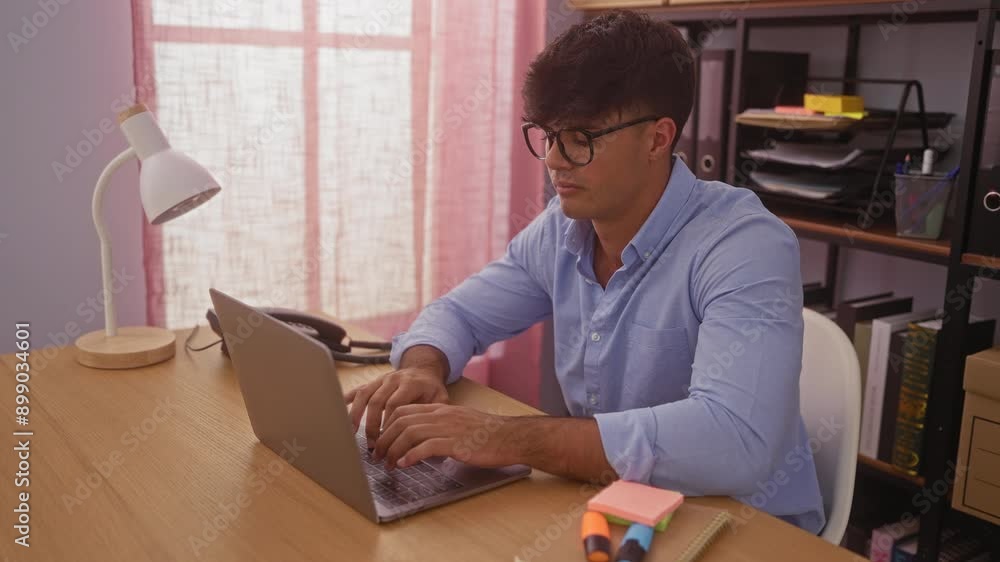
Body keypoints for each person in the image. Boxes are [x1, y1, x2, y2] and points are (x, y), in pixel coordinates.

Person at [345, 9, 825, 533]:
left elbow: (734, 439)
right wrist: (422, 368)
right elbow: (461, 314)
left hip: (746, 527)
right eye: (548, 134)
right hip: (624, 507)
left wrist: (507, 437)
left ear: (658, 139)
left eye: (581, 137)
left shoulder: (745, 244)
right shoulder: (563, 227)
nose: (554, 159)